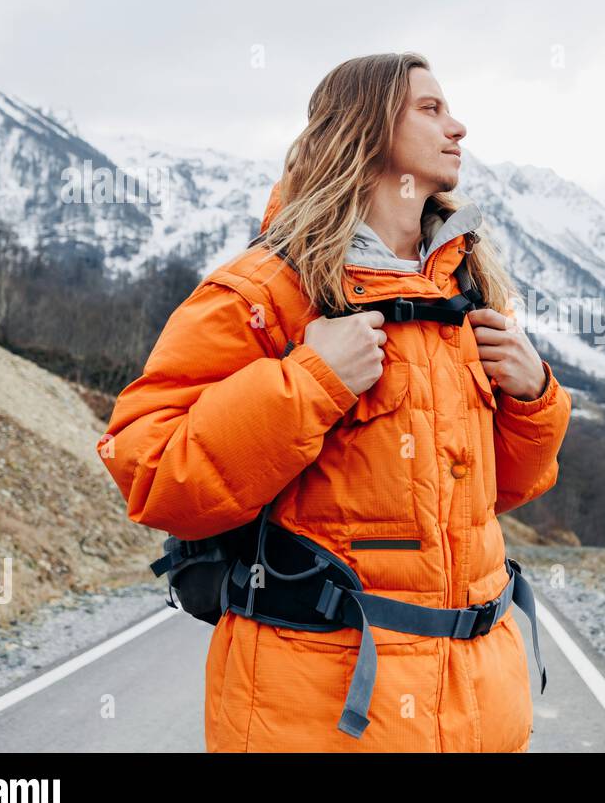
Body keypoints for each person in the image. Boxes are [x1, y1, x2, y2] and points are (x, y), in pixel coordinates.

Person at [97, 52, 572, 752]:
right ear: (367, 126)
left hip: (479, 712)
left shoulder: (466, 289)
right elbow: (151, 470)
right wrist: (311, 381)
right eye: (431, 109)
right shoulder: (264, 290)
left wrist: (533, 397)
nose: (458, 127)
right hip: (321, 717)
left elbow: (489, 497)